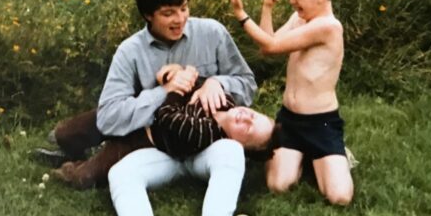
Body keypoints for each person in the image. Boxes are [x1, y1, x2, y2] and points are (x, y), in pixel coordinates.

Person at [98, 0, 257, 216]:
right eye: (168, 13)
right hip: (162, 149)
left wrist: (217, 82)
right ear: (148, 14)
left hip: (207, 144)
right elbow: (108, 117)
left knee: (231, 151)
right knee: (121, 173)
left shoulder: (212, 32)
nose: (179, 19)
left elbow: (247, 84)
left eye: (183, 8)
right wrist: (165, 92)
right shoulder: (129, 51)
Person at [230, 0, 354, 205]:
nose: (291, 1)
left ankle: (336, 156)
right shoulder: (300, 19)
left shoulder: (329, 27)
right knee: (278, 185)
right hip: (290, 120)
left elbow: (272, 46)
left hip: (322, 123)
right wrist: (267, 8)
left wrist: (241, 15)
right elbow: (269, 44)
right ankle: (308, 157)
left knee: (339, 197)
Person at [52, 64, 275, 190]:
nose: (246, 118)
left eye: (248, 129)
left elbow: (166, 115)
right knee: (65, 133)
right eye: (254, 116)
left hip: (140, 141)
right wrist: (182, 74)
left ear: (237, 144)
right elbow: (192, 77)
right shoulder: (223, 99)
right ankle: (70, 148)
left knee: (84, 178)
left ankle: (73, 167)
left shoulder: (204, 134)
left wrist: (176, 90)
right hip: (138, 109)